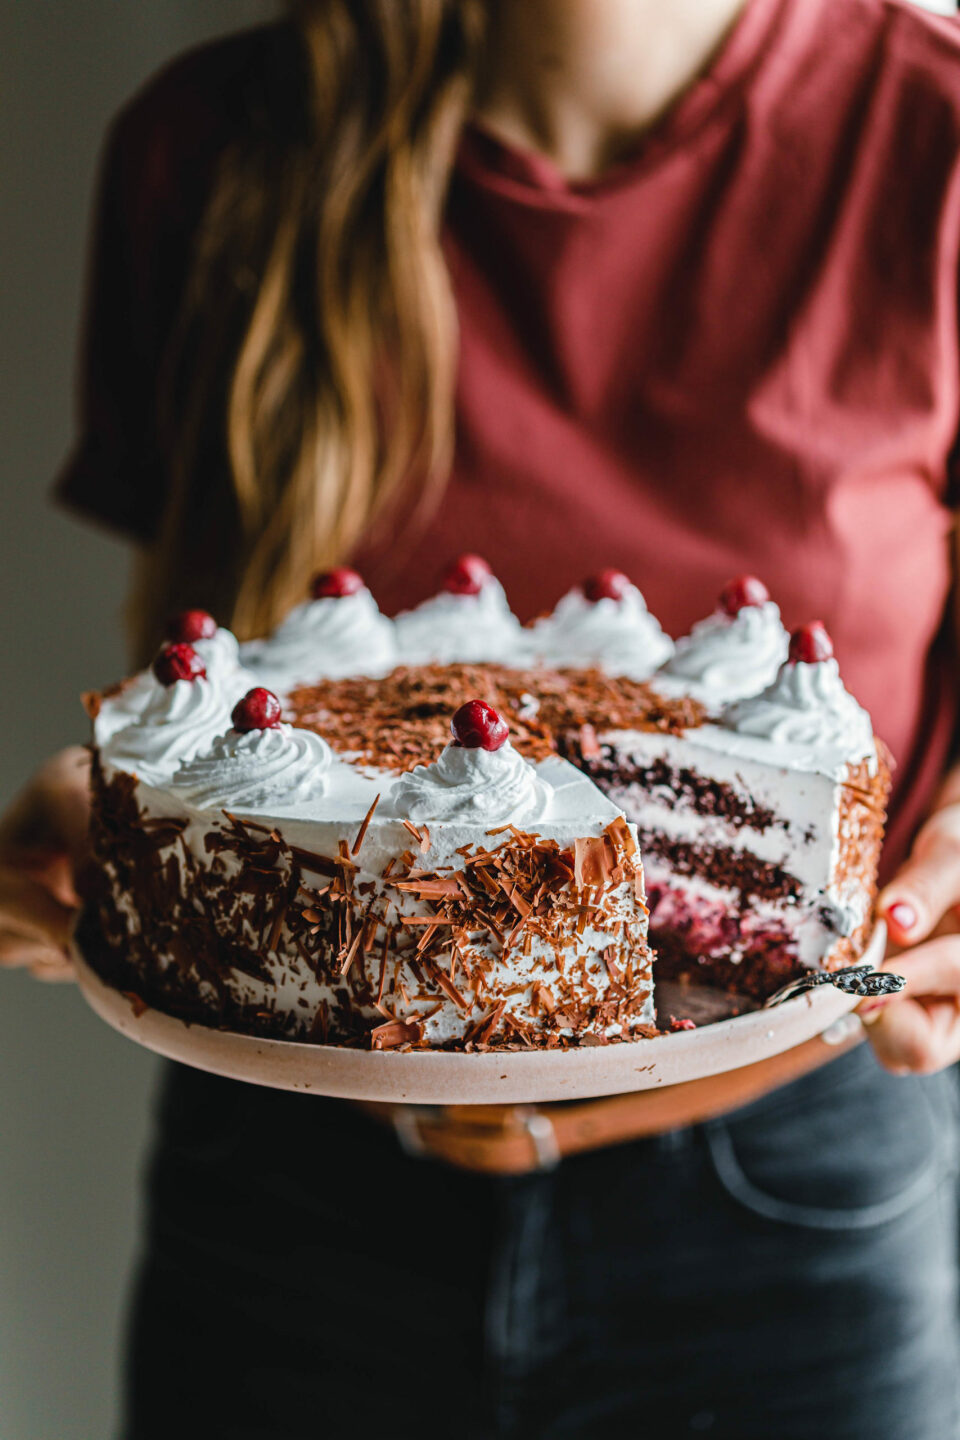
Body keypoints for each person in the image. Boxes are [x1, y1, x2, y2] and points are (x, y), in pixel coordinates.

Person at [3, 0, 960, 1434]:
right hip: (285, 1194)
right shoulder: (209, 144)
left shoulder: (930, 136)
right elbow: (193, 673)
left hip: (793, 1190)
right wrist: (119, 813)